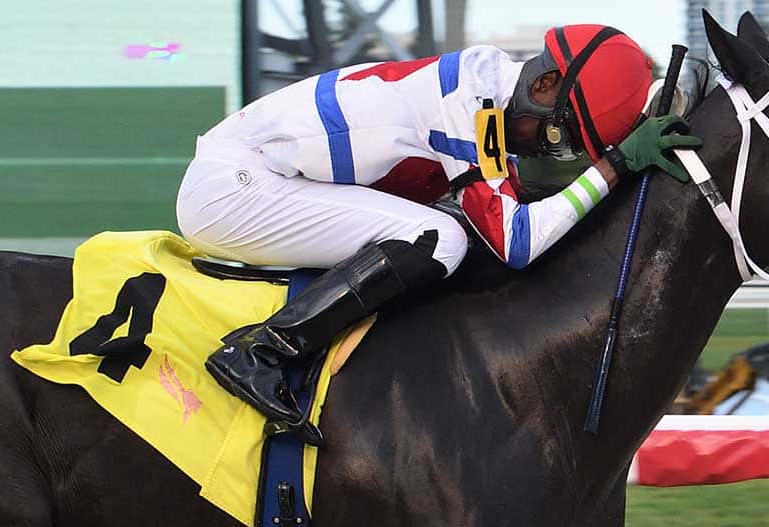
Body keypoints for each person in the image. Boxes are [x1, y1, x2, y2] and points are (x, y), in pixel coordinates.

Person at [177, 25, 701, 442]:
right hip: (234, 189)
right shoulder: (472, 108)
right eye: (555, 133)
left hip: (257, 176)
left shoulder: (487, 91)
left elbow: (521, 211)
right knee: (440, 239)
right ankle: (263, 352)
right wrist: (615, 166)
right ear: (543, 85)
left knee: (450, 233)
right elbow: (518, 243)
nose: (545, 148)